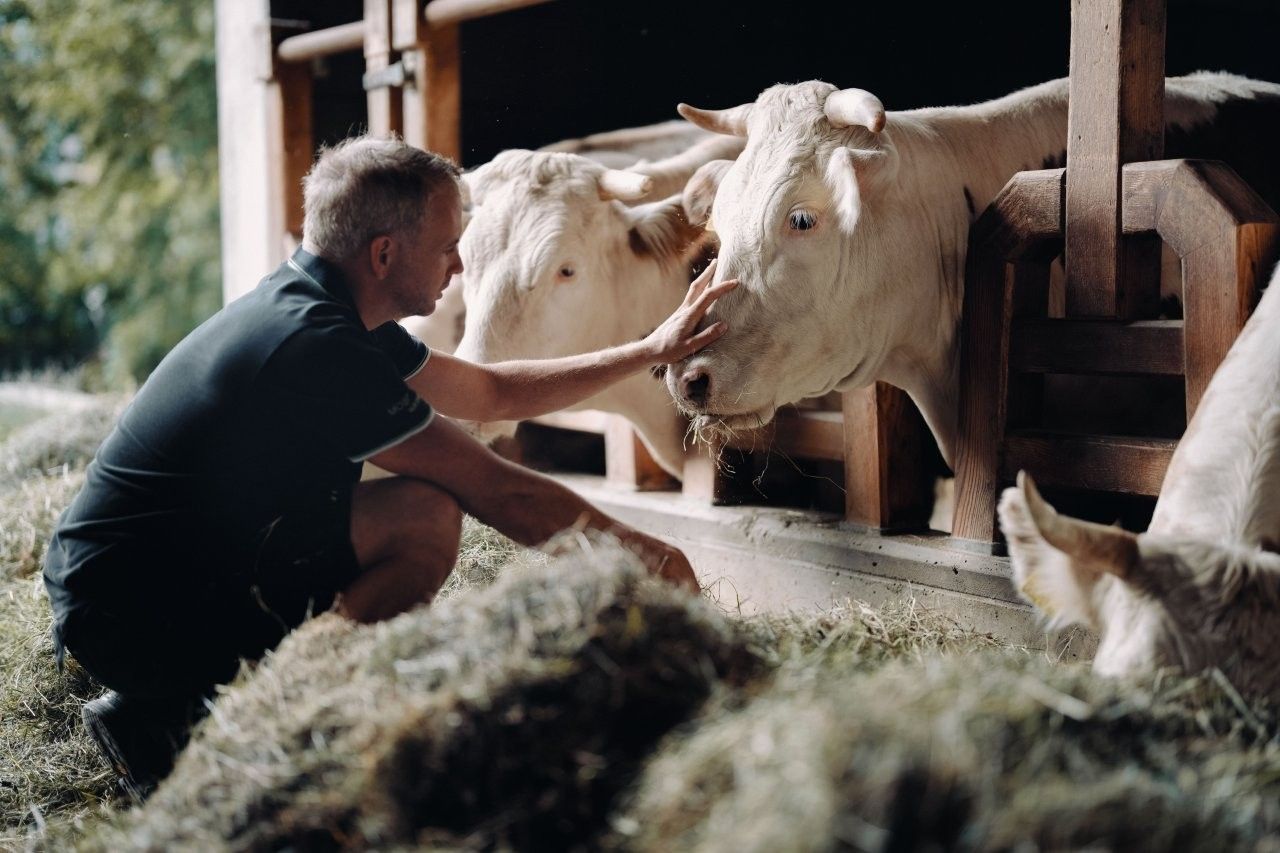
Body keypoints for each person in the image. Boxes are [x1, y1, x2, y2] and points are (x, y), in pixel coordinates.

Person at [42, 135, 737, 798]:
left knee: (420, 511)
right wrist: (657, 558)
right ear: (383, 254)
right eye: (446, 247)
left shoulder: (322, 309)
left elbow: (492, 390)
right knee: (429, 512)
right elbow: (496, 490)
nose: (459, 267)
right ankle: (270, 717)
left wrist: (652, 346)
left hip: (146, 573)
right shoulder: (316, 348)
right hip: (128, 608)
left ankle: (164, 709)